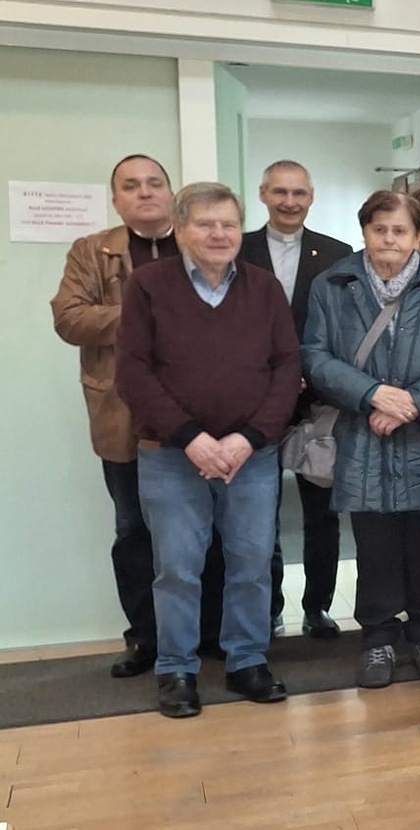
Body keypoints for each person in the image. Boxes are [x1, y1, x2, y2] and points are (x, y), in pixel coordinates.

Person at [116, 181, 299, 717]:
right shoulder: (148, 285)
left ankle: (247, 661)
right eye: (205, 224)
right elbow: (132, 372)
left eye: (228, 224)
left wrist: (249, 437)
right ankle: (176, 669)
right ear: (180, 230)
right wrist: (191, 438)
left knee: (251, 562)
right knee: (177, 567)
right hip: (172, 455)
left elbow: (287, 367)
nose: (219, 234)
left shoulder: (264, 288)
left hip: (252, 457)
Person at [302, 190, 420, 688]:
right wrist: (372, 395)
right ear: (364, 231)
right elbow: (316, 358)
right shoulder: (332, 284)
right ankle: (378, 637)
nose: (389, 239)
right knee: (375, 543)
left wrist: (412, 401)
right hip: (363, 434)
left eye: (400, 230)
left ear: (417, 235)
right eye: (379, 229)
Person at [51, 153, 179, 678]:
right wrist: (142, 314)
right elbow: (69, 318)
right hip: (122, 415)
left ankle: (208, 635)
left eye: (154, 183)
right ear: (116, 199)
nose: (144, 192)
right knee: (134, 529)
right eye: (131, 185)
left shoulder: (198, 241)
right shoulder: (91, 251)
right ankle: (145, 638)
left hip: (194, 415)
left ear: (171, 193)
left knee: (206, 529)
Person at [241, 160, 354, 639]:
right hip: (254, 401)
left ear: (311, 197)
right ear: (263, 194)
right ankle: (267, 609)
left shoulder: (337, 254)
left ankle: (318, 607)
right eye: (280, 192)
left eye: (299, 193)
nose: (290, 202)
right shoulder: (238, 249)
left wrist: (309, 374)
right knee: (258, 515)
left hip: (317, 401)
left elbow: (344, 328)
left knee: (322, 514)